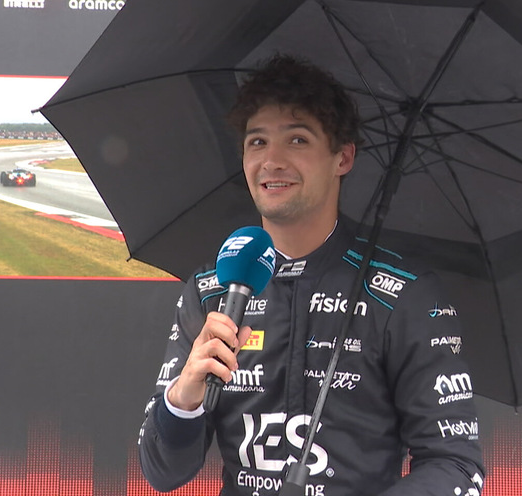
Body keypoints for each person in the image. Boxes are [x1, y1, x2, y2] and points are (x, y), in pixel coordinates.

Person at [139, 54, 485, 496]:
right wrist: (183, 397)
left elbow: (456, 465)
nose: (272, 160)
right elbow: (162, 472)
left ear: (343, 157)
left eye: (297, 140)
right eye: (257, 142)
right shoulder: (212, 289)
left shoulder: (403, 294)